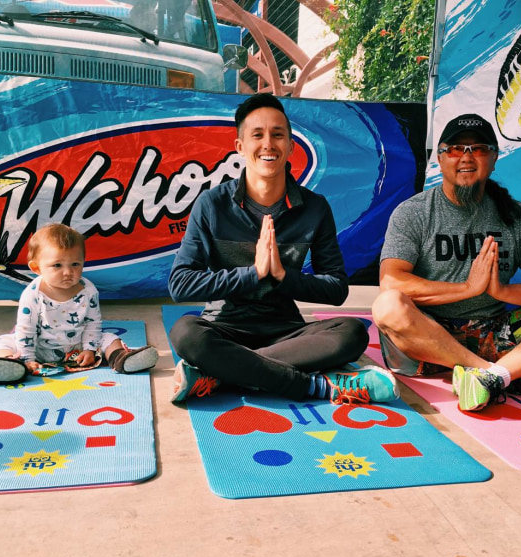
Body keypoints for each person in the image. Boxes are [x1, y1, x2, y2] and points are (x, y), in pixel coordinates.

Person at [168, 93, 398, 406]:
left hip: (287, 333)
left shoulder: (314, 208)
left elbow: (336, 289)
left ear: (291, 145)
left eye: (278, 135)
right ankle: (315, 387)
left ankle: (222, 372)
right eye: (257, 135)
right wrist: (253, 274)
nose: (268, 144)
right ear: (240, 147)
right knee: (186, 333)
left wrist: (280, 276)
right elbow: (180, 284)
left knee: (352, 332)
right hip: (224, 329)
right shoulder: (212, 205)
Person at [371, 113, 521, 412]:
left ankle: (491, 377)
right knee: (387, 305)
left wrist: (501, 292)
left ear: (493, 159)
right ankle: (506, 374)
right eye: (455, 149)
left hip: (495, 333)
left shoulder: (516, 215)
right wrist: (467, 288)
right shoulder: (413, 213)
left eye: (478, 148)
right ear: (439, 159)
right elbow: (392, 281)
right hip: (429, 337)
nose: (466, 157)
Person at [0, 223, 159, 383]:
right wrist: (27, 358)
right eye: (57, 265)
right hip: (39, 348)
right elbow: (26, 329)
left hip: (76, 347)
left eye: (75, 264)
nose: (67, 272)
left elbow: (93, 323)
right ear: (36, 268)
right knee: (2, 341)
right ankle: (10, 363)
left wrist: (88, 349)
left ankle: (121, 359)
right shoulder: (33, 294)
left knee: (109, 338)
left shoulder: (88, 290)